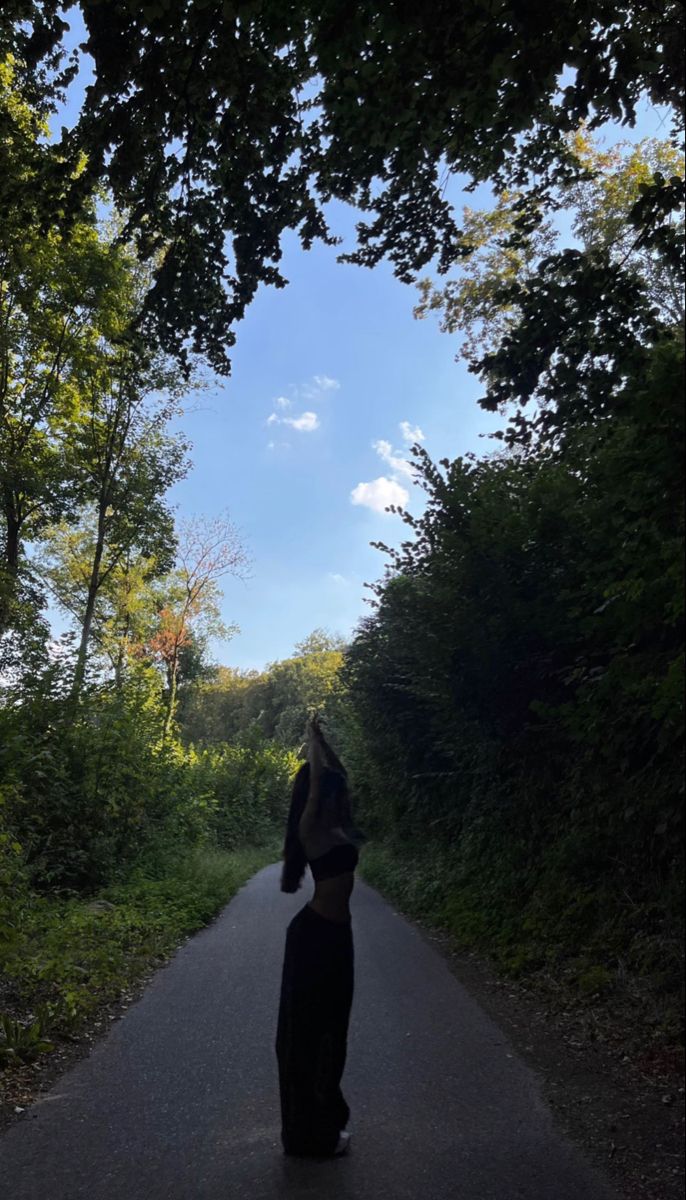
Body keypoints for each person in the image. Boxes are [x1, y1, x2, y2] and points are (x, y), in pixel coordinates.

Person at [275, 715, 365, 1158]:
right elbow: (312, 790)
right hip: (313, 941)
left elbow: (339, 776)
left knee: (334, 1034)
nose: (333, 796)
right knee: (309, 1039)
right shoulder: (310, 831)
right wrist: (311, 745)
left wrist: (326, 742)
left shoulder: (340, 828)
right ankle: (309, 1134)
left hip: (337, 938)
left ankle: (324, 1124)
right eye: (327, 792)